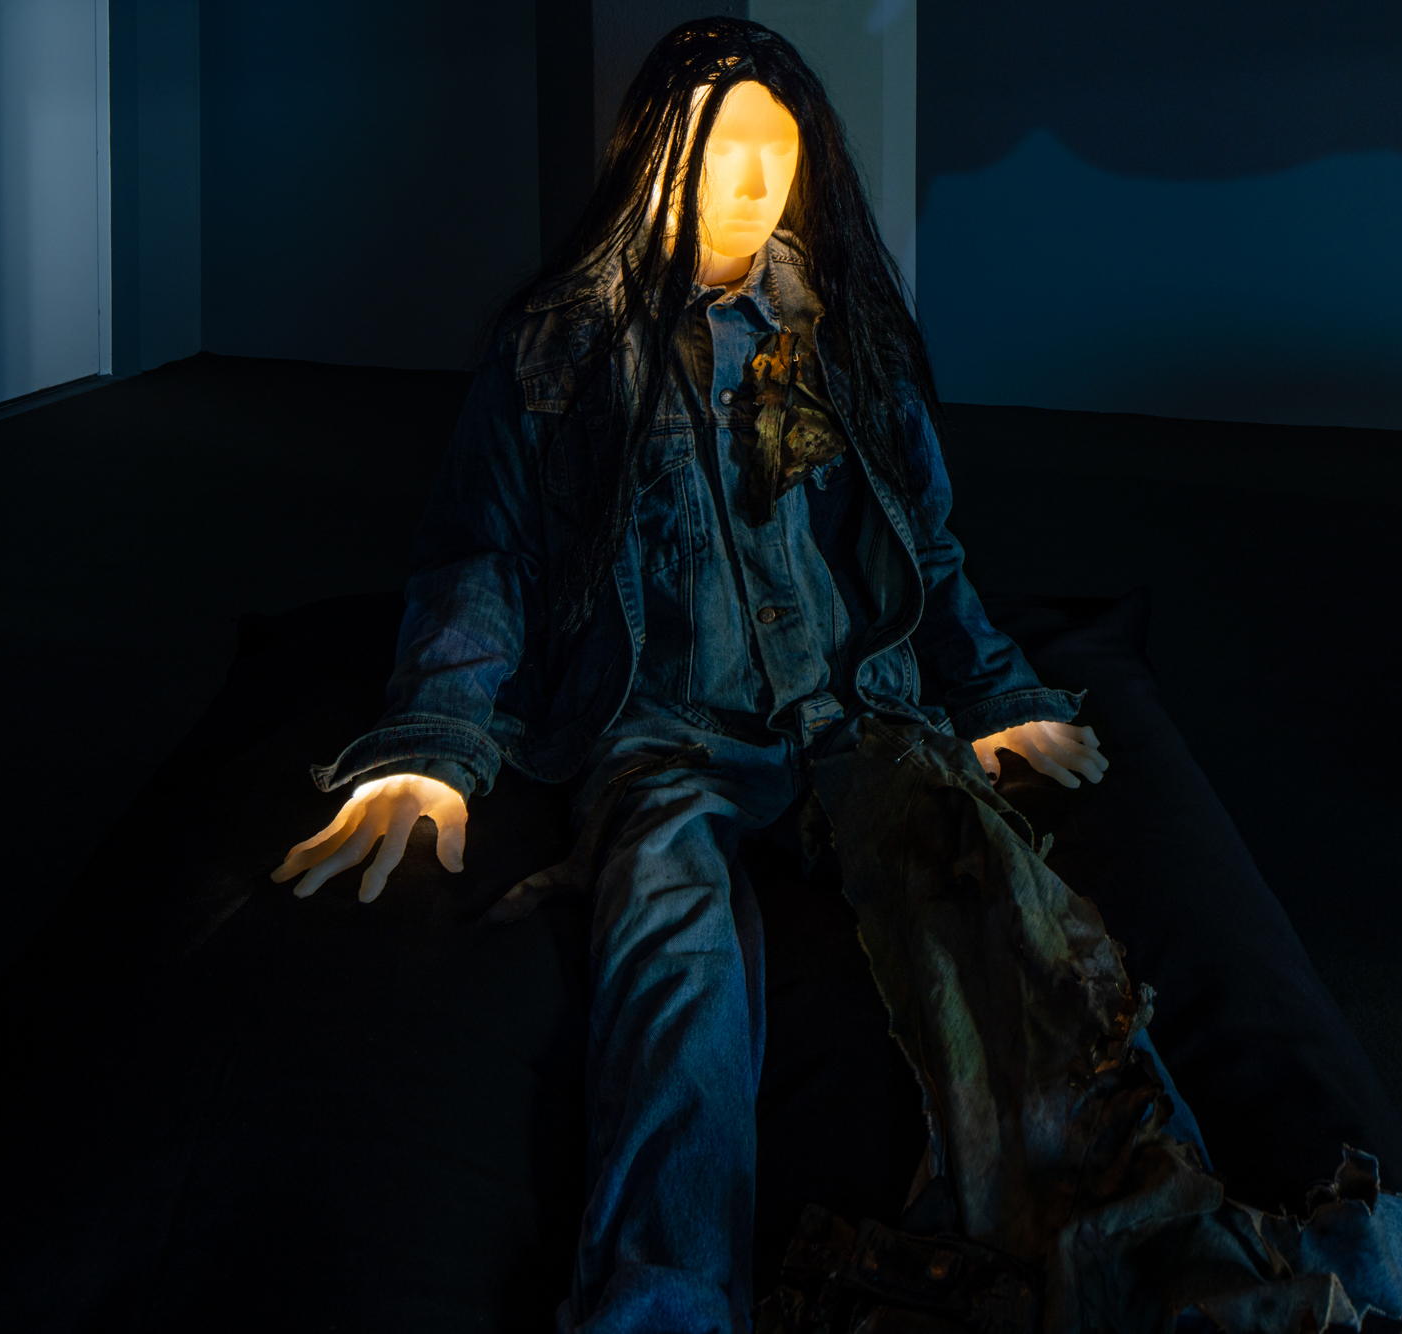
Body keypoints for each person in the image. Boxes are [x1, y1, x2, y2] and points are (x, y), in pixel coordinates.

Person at [269, 18, 1113, 1333]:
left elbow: (920, 544)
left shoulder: (840, 337)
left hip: (859, 720)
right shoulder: (561, 348)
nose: (755, 182)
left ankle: (1160, 1264)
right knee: (675, 979)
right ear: (657, 154)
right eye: (724, 151)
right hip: (663, 735)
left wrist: (995, 695)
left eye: (780, 153)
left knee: (1019, 931)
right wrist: (434, 740)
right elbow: (484, 553)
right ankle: (661, 1306)